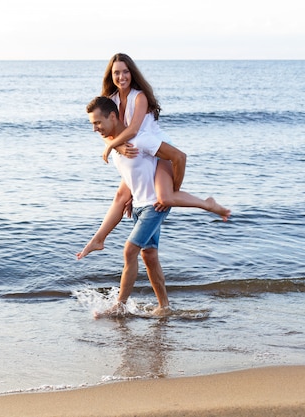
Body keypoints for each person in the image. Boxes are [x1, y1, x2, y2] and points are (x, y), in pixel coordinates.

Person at [77, 53, 230, 260]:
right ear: (110, 75)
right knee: (121, 198)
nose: (121, 77)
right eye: (116, 73)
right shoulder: (111, 100)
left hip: (157, 151)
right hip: (138, 154)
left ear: (132, 73)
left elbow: (133, 129)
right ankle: (98, 239)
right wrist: (117, 147)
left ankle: (208, 203)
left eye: (125, 71)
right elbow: (108, 131)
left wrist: (112, 147)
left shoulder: (139, 97)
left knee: (165, 198)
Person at [85, 96, 184, 317]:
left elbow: (178, 156)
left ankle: (118, 307)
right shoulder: (119, 147)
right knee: (149, 256)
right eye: (92, 123)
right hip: (139, 205)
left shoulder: (140, 139)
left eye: (98, 122)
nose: (94, 129)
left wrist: (171, 194)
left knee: (130, 250)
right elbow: (127, 185)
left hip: (153, 205)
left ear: (113, 116)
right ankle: (164, 307)